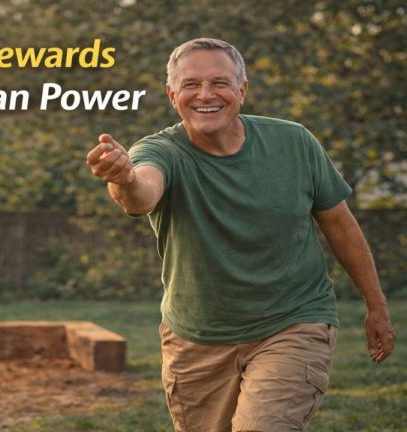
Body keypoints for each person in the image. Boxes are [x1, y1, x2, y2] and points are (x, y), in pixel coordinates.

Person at [86, 38, 396, 431]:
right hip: (196, 337)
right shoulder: (161, 151)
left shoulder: (294, 143)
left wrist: (376, 303)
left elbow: (340, 225)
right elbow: (141, 195)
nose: (205, 95)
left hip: (293, 320)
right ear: (171, 94)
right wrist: (123, 176)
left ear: (242, 90)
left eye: (219, 83)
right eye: (190, 85)